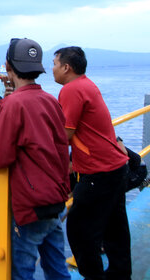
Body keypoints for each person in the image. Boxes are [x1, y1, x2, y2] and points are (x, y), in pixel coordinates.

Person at [0, 38, 71, 280]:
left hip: (31, 206)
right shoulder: (50, 101)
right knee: (57, 268)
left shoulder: (15, 104)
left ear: (8, 66)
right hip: (54, 199)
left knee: (21, 272)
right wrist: (8, 98)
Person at [52, 46, 131, 279]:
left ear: (67, 68)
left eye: (55, 64)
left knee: (79, 231)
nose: (52, 69)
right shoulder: (87, 84)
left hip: (99, 172)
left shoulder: (72, 90)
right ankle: (119, 274)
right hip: (116, 166)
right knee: (115, 228)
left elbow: (64, 135)